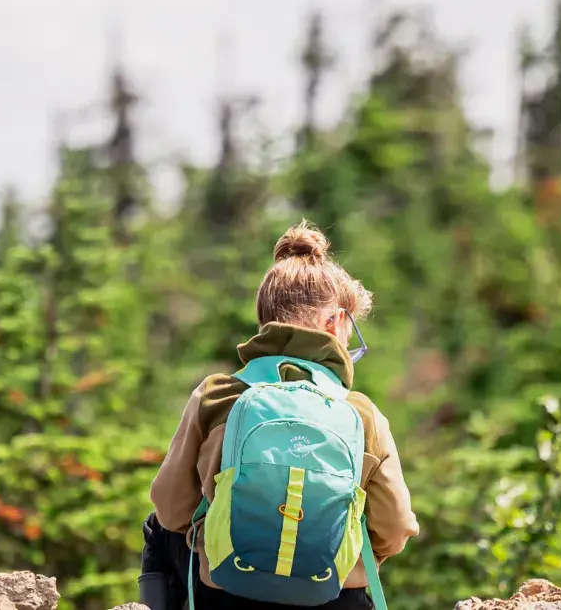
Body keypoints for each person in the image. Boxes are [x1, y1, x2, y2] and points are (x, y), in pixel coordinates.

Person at [139, 222, 418, 610]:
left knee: (156, 527)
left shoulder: (217, 394)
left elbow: (171, 507)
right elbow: (395, 528)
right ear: (334, 321)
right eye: (350, 327)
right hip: (331, 598)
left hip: (227, 595)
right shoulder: (362, 414)